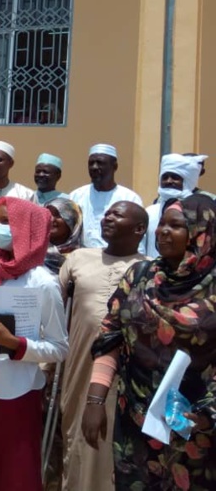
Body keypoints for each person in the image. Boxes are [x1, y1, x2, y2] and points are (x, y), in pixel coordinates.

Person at [85, 195, 216, 489]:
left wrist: (206, 412)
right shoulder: (140, 276)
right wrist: (95, 401)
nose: (163, 231)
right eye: (162, 224)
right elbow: (110, 337)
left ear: (202, 234)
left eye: (177, 225)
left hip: (195, 424)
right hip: (136, 419)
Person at [0, 198, 69, 491]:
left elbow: (60, 347)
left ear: (27, 229)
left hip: (17, 393)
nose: (0, 228)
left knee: (15, 475)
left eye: (8, 222)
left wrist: (15, 344)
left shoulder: (43, 282)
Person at [57, 201, 147, 491]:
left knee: (114, 451)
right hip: (79, 371)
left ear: (139, 229)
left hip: (125, 379)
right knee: (78, 447)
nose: (108, 216)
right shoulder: (78, 258)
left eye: (117, 214)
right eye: (106, 212)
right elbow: (54, 314)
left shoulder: (147, 270)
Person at [69, 144, 142, 248]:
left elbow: (137, 236)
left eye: (100, 163)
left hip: (118, 258)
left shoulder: (130, 198)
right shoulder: (76, 196)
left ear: (114, 166)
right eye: (91, 163)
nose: (94, 167)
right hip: (83, 258)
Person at [142, 153, 200, 257]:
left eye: (175, 177)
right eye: (165, 177)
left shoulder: (197, 212)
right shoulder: (150, 211)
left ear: (186, 181)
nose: (168, 181)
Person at [43, 197, 83, 275]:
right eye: (47, 214)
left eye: (58, 215)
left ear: (73, 220)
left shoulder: (82, 257)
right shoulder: (34, 252)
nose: (51, 219)